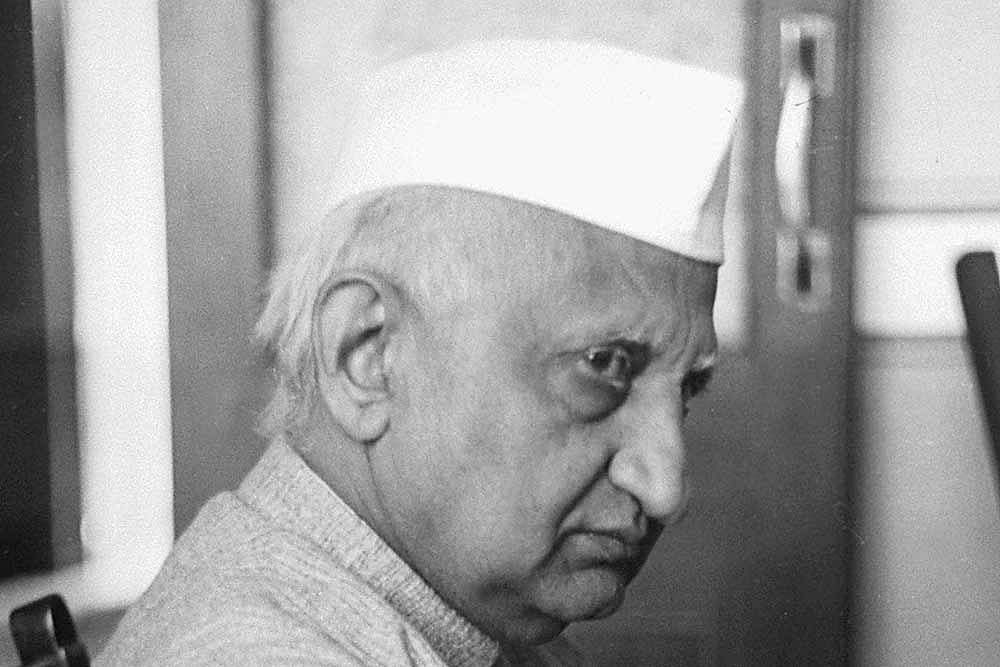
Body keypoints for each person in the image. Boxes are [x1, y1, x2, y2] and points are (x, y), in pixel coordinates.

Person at [97, 38, 742, 666]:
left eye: (685, 390)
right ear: (367, 357)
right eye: (602, 365)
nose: (666, 488)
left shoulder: (476, 617)